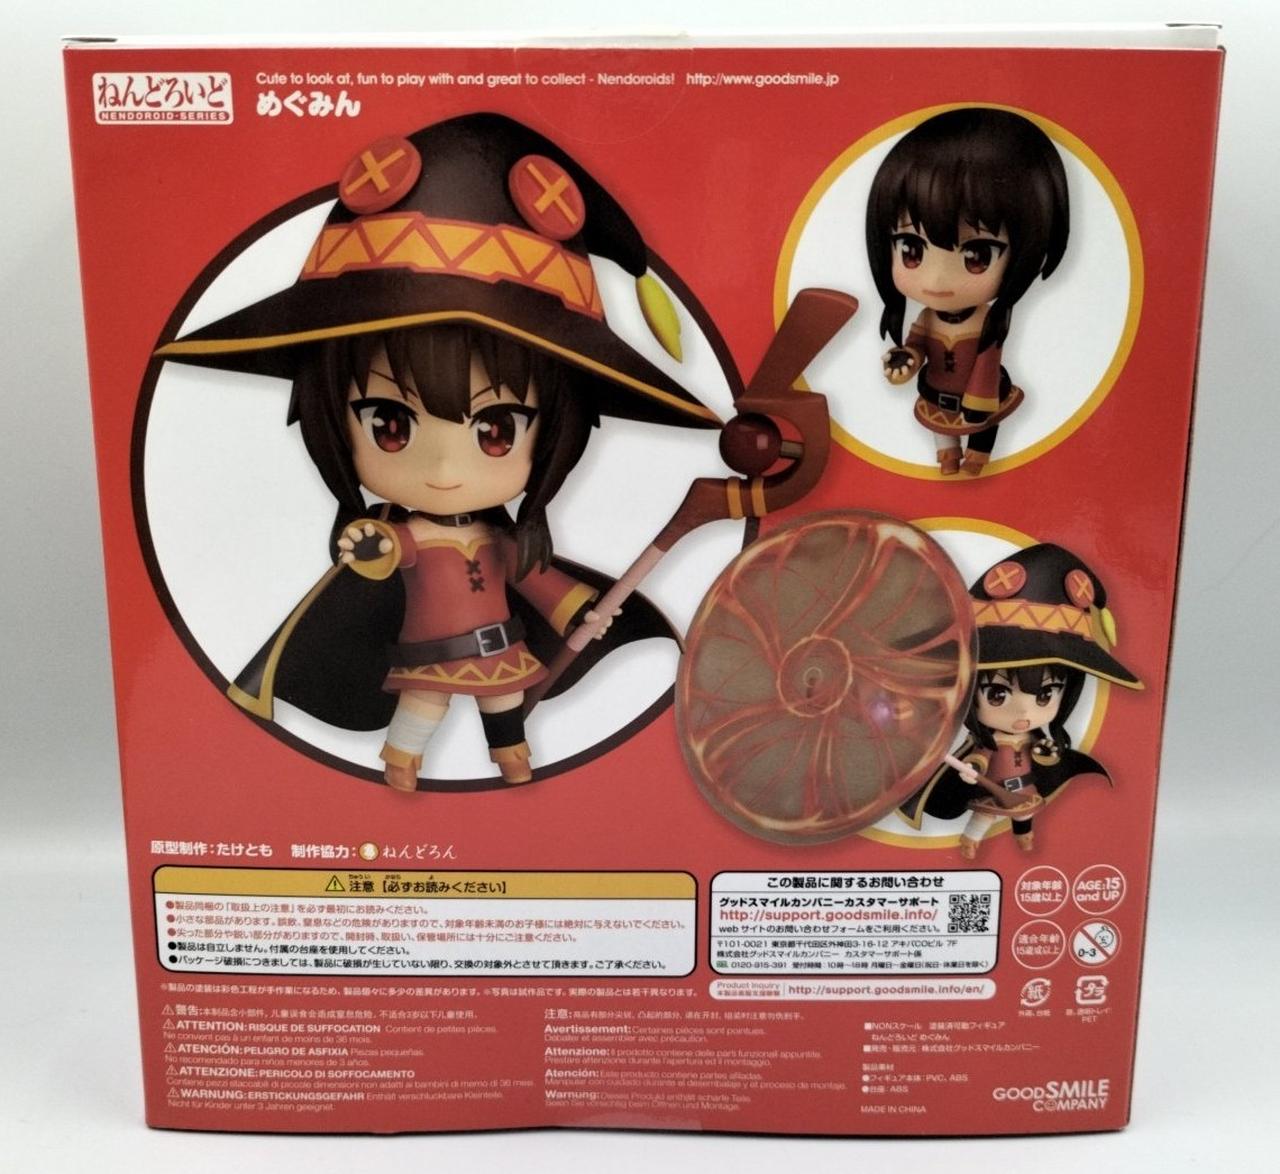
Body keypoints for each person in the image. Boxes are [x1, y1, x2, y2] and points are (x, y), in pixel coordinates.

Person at [157, 113, 718, 790]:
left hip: (501, 650)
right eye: (391, 425)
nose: (446, 470)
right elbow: (378, 552)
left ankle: (512, 759)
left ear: (554, 433)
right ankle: (403, 763)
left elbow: (539, 583)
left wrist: (580, 610)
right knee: (421, 710)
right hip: (430, 652)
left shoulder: (502, 541)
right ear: (333, 419)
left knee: (505, 707)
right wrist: (368, 543)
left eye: (496, 432)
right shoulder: (413, 537)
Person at [899, 543, 1143, 856]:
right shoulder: (989, 743)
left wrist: (1046, 752)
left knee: (1024, 814)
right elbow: (978, 759)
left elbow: (1045, 756)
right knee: (985, 815)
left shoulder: (1034, 737)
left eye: (1045, 695)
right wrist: (972, 765)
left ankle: (1024, 838)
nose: (1023, 711)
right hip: (994, 788)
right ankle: (971, 840)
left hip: (1025, 787)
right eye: (997, 694)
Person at [865, 107, 1069, 476]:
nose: (937, 280)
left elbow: (987, 362)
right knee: (940, 430)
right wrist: (906, 358)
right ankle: (947, 455)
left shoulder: (988, 321)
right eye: (911, 249)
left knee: (983, 429)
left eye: (976, 256)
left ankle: (977, 456)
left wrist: (978, 401)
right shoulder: (927, 318)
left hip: (978, 398)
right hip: (935, 392)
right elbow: (916, 344)